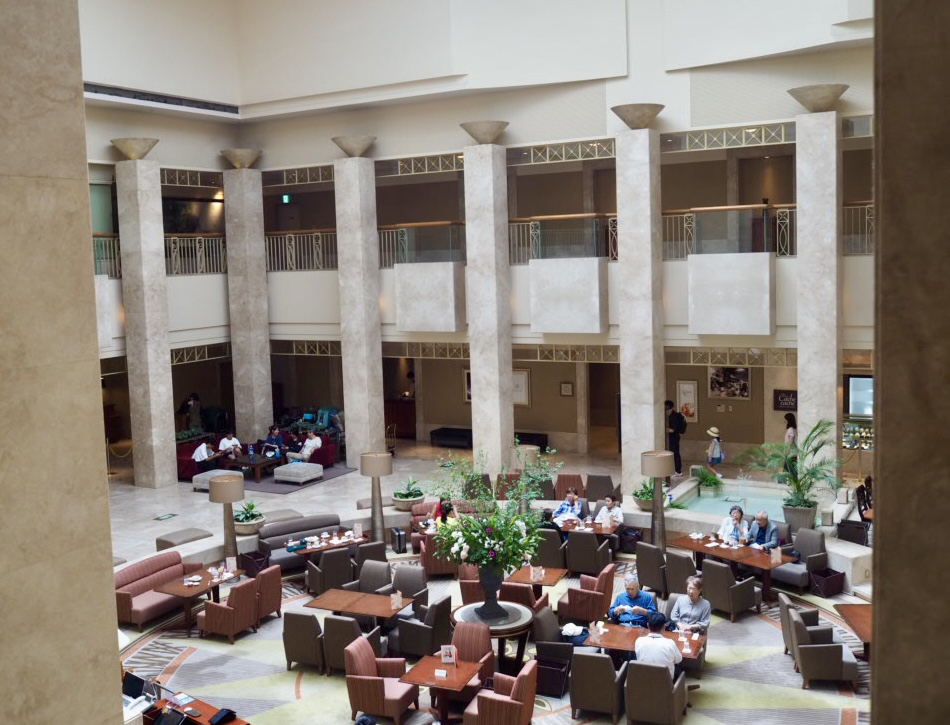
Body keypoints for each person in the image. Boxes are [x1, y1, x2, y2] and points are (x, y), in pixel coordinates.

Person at [634, 612, 683, 679]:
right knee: (678, 669)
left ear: (648, 625)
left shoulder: (639, 641)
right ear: (664, 627)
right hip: (665, 682)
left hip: (643, 680)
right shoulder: (670, 643)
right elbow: (678, 660)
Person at [665, 400, 685, 477]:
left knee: (675, 453)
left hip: (674, 437)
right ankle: (670, 469)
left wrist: (663, 429)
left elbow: (672, 430)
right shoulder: (666, 416)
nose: (667, 411)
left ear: (672, 408)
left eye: (668, 409)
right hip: (669, 437)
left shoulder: (675, 416)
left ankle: (677, 471)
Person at [783, 413, 798, 477]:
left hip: (791, 453)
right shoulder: (793, 429)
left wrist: (786, 451)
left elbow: (791, 441)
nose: (784, 421)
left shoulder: (790, 429)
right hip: (793, 453)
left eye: (785, 419)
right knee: (792, 469)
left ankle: (786, 481)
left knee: (788, 469)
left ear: (788, 420)